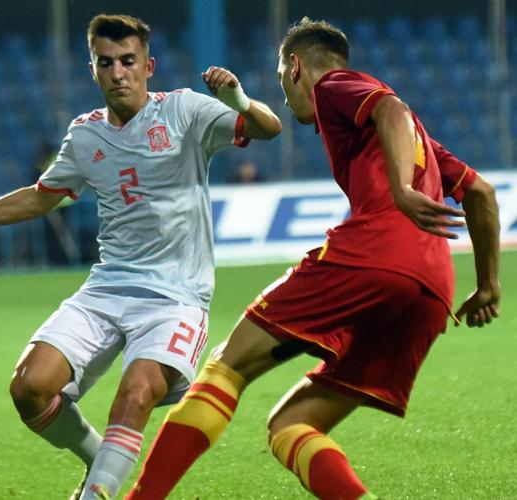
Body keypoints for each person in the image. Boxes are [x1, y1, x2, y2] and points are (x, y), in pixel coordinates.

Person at [0, 13, 281, 500]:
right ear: (93, 70)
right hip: (106, 289)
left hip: (176, 298)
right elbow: (39, 198)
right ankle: (97, 454)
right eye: (107, 63)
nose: (118, 72)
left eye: (128, 61)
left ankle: (96, 494)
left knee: (135, 391)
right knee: (29, 387)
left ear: (149, 65)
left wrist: (236, 99)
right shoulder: (85, 136)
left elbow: (268, 128)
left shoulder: (185, 111)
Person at [125, 17, 501, 500]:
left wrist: (402, 190)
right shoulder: (420, 138)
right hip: (431, 291)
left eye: (282, 78)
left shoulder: (334, 85)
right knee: (291, 425)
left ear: (296, 66)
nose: (284, 93)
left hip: (372, 254)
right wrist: (488, 283)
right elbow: (480, 193)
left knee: (226, 368)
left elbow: (389, 105)